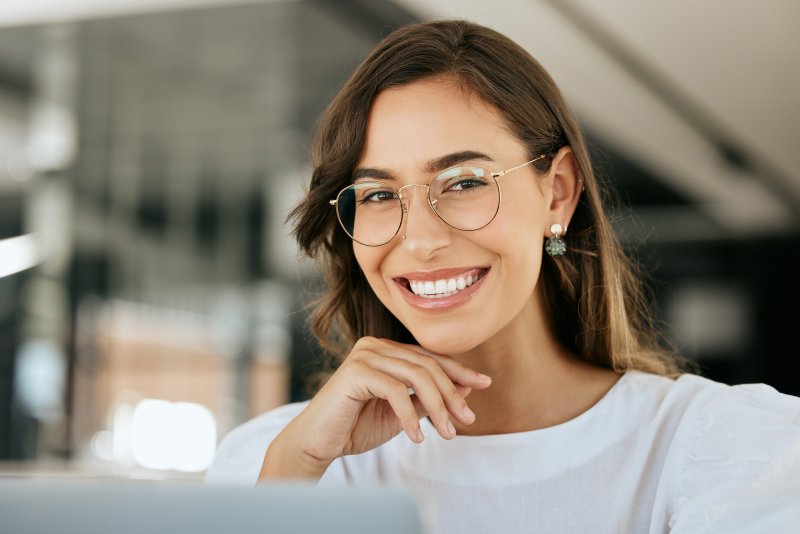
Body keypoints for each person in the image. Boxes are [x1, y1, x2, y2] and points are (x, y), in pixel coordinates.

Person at [206, 20, 800, 533]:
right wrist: (292, 473)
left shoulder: (721, 450)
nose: (419, 240)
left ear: (558, 194)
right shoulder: (278, 459)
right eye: (379, 193)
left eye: (464, 183)